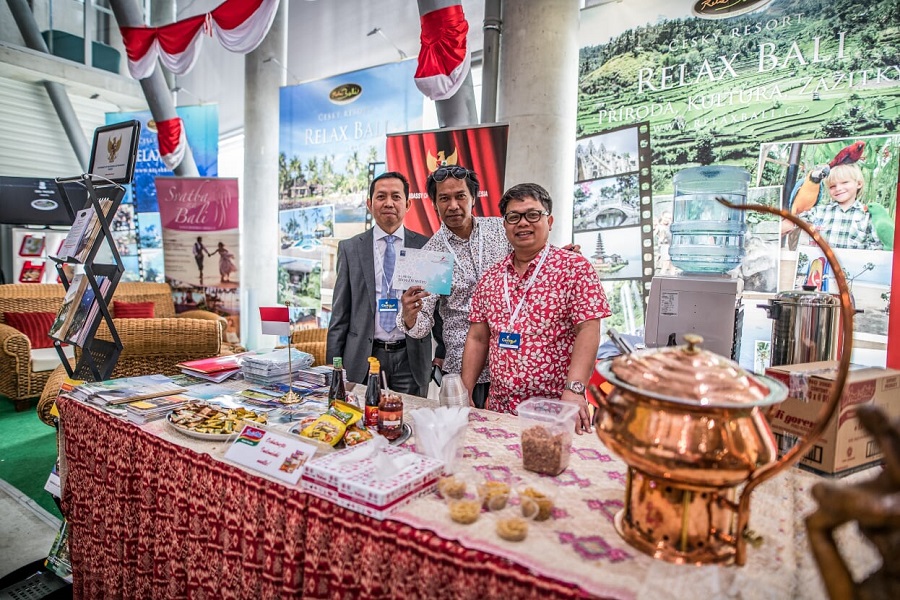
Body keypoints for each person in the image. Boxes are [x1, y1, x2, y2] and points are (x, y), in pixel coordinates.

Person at [460, 183, 611, 435]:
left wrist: (574, 390)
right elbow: (478, 338)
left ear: (549, 221)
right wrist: (465, 390)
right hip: (499, 412)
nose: (523, 223)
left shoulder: (574, 268)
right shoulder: (491, 277)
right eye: (514, 217)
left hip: (557, 410)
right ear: (505, 225)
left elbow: (588, 329)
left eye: (532, 215)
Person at [397, 166, 510, 408]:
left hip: (509, 361)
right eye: (444, 199)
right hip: (461, 370)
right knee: (464, 431)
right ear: (434, 204)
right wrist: (409, 316)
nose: (453, 205)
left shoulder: (501, 231)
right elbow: (422, 325)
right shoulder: (431, 254)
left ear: (473, 198)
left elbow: (530, 260)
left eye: (460, 196)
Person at [326, 171, 434, 396]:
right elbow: (340, 313)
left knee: (409, 416)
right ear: (369, 204)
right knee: (361, 416)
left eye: (396, 196)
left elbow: (437, 306)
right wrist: (332, 364)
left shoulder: (425, 246)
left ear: (408, 204)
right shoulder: (351, 249)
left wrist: (442, 350)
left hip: (410, 358)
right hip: (363, 357)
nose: (389, 203)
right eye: (381, 196)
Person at [784, 163, 883, 251]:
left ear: (859, 184)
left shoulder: (868, 216)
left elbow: (877, 247)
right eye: (832, 186)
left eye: (845, 182)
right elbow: (795, 221)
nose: (838, 189)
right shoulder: (819, 212)